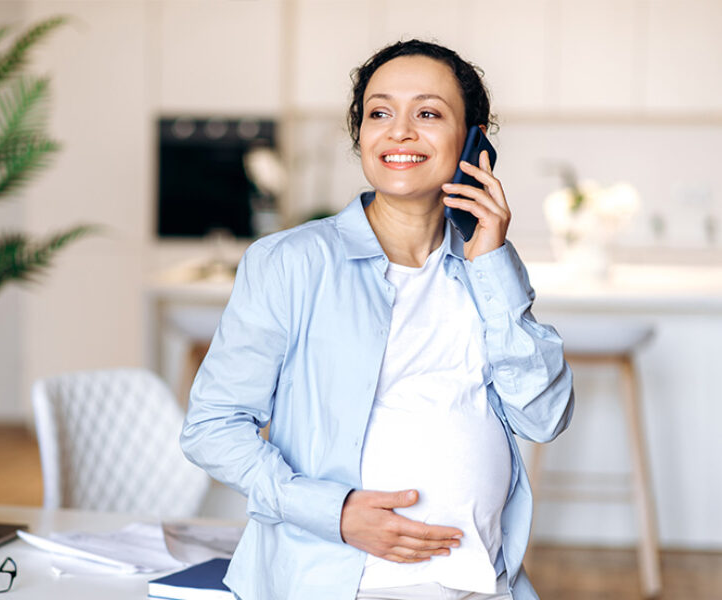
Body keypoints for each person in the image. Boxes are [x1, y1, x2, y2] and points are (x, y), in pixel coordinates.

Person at [180, 39, 574, 600]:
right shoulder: (289, 262)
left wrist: (493, 263)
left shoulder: (486, 267)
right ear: (360, 134)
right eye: (380, 113)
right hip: (339, 585)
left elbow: (545, 416)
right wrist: (334, 512)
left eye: (429, 113)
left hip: (485, 583)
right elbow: (212, 428)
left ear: (473, 141)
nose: (400, 132)